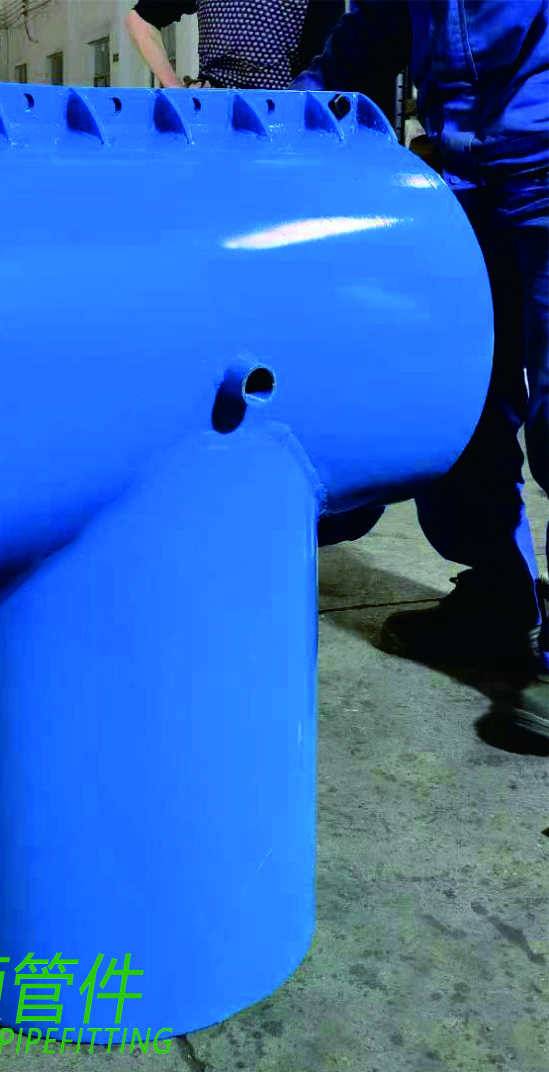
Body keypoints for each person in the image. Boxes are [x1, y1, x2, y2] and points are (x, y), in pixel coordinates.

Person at [292, 0, 549, 743]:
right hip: (460, 187)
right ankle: (498, 598)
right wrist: (279, 119)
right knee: (462, 407)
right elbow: (370, 33)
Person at [125, 0, 347, 92]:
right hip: (220, 112)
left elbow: (328, 61)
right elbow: (140, 20)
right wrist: (174, 87)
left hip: (280, 113)